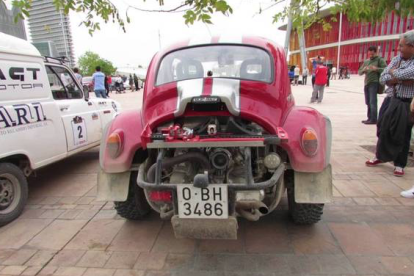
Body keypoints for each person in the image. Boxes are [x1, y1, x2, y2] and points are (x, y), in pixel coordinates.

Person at [366, 30, 414, 179]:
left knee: (402, 133)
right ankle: (380, 155)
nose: (399, 48)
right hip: (391, 100)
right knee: (382, 128)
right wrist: (400, 77)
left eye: (402, 46)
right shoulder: (396, 59)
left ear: (412, 46)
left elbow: (397, 74)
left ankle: (400, 164)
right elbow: (383, 77)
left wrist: (395, 75)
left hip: (406, 103)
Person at [358, 46, 387, 124]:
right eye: (369, 53)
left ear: (375, 52)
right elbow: (359, 72)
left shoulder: (380, 60)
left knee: (372, 101)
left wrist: (376, 69)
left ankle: (374, 119)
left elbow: (386, 69)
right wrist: (364, 69)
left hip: (374, 83)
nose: (370, 55)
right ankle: (369, 118)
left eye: (372, 54)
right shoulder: (366, 61)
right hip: (367, 83)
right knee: (368, 101)